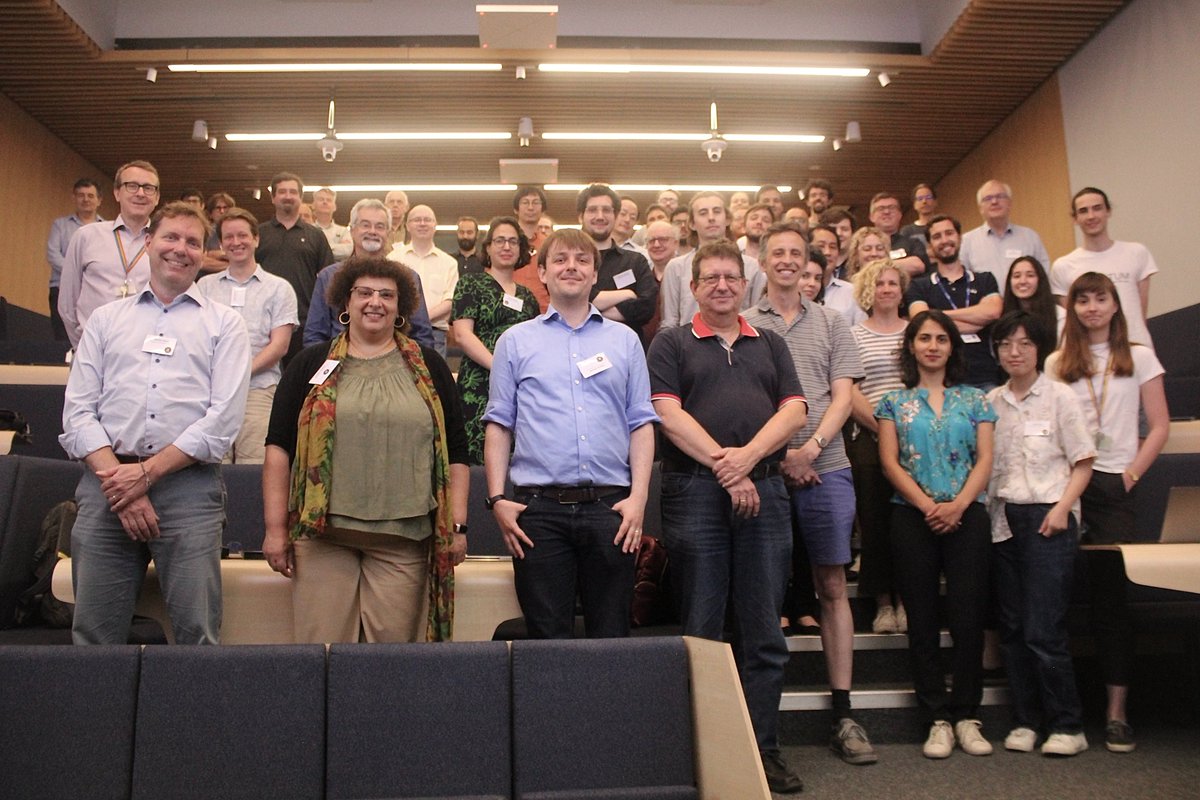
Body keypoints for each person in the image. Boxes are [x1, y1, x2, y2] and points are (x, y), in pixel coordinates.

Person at [648, 240, 809, 793]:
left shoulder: (770, 343)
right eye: (710, 277)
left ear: (746, 285)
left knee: (764, 633)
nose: (721, 285)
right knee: (703, 630)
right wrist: (729, 467)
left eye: (730, 277)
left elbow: (795, 409)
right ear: (692, 287)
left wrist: (748, 461)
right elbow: (665, 412)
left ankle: (762, 752)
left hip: (766, 496)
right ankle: (703, 754)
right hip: (695, 494)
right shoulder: (670, 343)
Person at [60, 201, 251, 645]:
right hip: (106, 487)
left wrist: (144, 476)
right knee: (93, 636)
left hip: (187, 492)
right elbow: (78, 413)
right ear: (148, 242)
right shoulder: (107, 320)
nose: (180, 249)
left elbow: (221, 422)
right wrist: (122, 487)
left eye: (193, 242)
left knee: (197, 636)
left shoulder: (225, 325)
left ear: (204, 255)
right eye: (170, 237)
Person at [262, 255, 469, 643]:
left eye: (387, 295)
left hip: (404, 537)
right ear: (346, 302)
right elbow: (278, 449)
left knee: (390, 663)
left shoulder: (430, 366)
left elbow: (456, 451)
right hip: (322, 536)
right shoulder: (310, 362)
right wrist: (275, 530)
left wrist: (457, 526)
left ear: (401, 306)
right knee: (321, 653)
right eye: (365, 292)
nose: (375, 302)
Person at [483, 228, 657, 639]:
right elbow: (499, 424)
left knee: (612, 636)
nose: (571, 267)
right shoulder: (514, 342)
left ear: (595, 274)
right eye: (560, 260)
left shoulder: (626, 341)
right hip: (538, 513)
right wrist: (496, 499)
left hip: (612, 510)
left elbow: (641, 423)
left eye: (582, 260)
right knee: (545, 639)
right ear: (541, 272)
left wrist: (639, 499)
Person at [746, 221, 876, 766]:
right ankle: (757, 724)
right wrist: (780, 456)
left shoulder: (833, 322)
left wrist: (811, 448)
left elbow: (844, 396)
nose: (786, 261)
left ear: (808, 263)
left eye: (796, 253)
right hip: (766, 472)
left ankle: (844, 711)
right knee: (759, 591)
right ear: (763, 260)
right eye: (777, 252)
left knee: (831, 586)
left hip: (828, 465)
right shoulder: (746, 324)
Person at [1046, 271, 1169, 753]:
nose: (1092, 308)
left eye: (1100, 299)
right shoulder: (1059, 361)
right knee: (1054, 595)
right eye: (1083, 300)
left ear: (1116, 305)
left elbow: (1158, 425)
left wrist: (1132, 474)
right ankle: (1060, 710)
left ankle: (1117, 714)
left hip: (1117, 483)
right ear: (1072, 308)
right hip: (1068, 486)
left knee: (1112, 604)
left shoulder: (1137, 356)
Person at [876, 309, 996, 759]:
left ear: (952, 347)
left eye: (941, 339)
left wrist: (959, 504)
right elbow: (889, 462)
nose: (932, 346)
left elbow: (985, 459)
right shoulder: (892, 402)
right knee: (922, 621)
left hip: (968, 515)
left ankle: (967, 714)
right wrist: (929, 506)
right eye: (923, 338)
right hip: (913, 518)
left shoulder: (977, 400)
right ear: (911, 346)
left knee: (968, 619)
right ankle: (936, 719)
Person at [987, 311, 1095, 757]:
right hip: (1003, 521)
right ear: (996, 351)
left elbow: (1084, 461)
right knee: (1011, 628)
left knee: (1043, 629)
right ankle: (1026, 720)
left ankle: (1067, 724)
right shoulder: (990, 401)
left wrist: (1062, 509)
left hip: (1050, 519)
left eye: (1025, 344)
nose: (1015, 352)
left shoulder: (1060, 397)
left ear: (1040, 349)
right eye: (1007, 344)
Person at [195, 208, 298, 464]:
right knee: (210, 465)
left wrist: (240, 373)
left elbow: (280, 345)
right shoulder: (204, 287)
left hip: (259, 390)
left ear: (256, 239)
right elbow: (195, 338)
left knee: (255, 467)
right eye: (228, 237)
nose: (236, 242)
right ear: (220, 243)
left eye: (242, 235)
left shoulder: (279, 288)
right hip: (210, 393)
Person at [848, 258, 910, 635]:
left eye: (893, 283)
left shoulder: (917, 331)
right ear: (869, 291)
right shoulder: (854, 334)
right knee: (875, 524)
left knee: (908, 527)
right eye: (880, 283)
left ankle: (907, 601)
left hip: (915, 440)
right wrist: (883, 427)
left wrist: (906, 431)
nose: (887, 289)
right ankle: (883, 604)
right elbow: (849, 389)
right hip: (868, 437)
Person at [452, 216, 539, 465]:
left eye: (513, 241)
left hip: (521, 383)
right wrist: (499, 366)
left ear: (521, 249)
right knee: (478, 453)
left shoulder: (528, 296)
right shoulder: (470, 284)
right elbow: (462, 334)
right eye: (500, 240)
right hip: (480, 382)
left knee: (517, 451)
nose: (506, 246)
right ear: (488, 247)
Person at [303, 199, 435, 350]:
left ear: (388, 233)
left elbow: (422, 336)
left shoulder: (408, 278)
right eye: (365, 225)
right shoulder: (328, 277)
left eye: (380, 226)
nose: (372, 231)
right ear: (352, 230)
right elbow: (314, 336)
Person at [58, 160, 160, 349]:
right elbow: (67, 303)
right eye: (132, 186)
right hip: (93, 347)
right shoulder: (86, 236)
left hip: (144, 352)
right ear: (116, 193)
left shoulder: (163, 243)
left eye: (148, 188)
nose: (140, 193)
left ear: (157, 197)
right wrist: (84, 345)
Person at [1050, 187, 1158, 351]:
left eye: (1097, 208)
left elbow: (1140, 313)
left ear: (1108, 211)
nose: (1091, 216)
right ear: (1075, 218)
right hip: (1092, 354)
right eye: (1083, 211)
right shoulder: (1063, 266)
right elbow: (1074, 320)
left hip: (1137, 347)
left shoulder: (1137, 252)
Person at [906, 215, 1003, 391]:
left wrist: (938, 315)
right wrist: (976, 319)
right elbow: (921, 321)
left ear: (960, 238)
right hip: (941, 382)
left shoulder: (984, 279)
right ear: (929, 247)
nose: (944, 240)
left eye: (949, 233)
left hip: (985, 377)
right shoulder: (919, 285)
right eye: (937, 237)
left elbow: (993, 312)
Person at [254, 172, 335, 359]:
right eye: (282, 192)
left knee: (300, 383)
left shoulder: (316, 236)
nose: (288, 196)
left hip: (303, 323)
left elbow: (328, 280)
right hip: (263, 322)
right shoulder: (259, 234)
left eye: (293, 192)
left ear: (300, 198)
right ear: (273, 197)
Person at [959, 180, 1050, 293]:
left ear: (1010, 203)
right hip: (987, 307)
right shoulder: (966, 241)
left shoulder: (1030, 237)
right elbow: (962, 281)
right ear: (980, 208)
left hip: (1024, 307)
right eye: (988, 198)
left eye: (1000, 196)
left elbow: (1043, 275)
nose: (994, 201)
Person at [46, 177, 103, 341]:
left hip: (94, 289)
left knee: (93, 335)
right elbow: (53, 253)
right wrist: (76, 273)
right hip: (62, 286)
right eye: (81, 195)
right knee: (62, 336)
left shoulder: (106, 229)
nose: (86, 199)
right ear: (74, 198)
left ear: (99, 200)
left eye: (90, 196)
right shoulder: (60, 225)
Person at [1001, 256, 1064, 341]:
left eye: (1030, 275)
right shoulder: (1001, 315)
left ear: (1040, 280)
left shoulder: (1060, 316)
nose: (1022, 281)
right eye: (1017, 276)